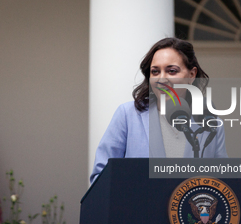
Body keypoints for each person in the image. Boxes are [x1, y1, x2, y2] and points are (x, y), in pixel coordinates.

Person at [90, 37, 228, 183]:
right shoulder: (127, 115)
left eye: (172, 71)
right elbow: (100, 177)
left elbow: (222, 181)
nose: (161, 79)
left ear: (192, 75)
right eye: (155, 72)